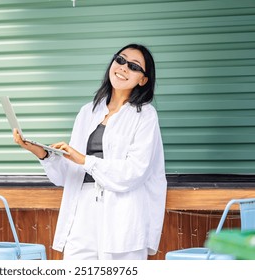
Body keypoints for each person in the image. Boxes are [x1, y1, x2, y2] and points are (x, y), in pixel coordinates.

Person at [13, 43, 167, 260]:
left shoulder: (145, 116)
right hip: (82, 213)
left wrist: (85, 160)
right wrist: (42, 154)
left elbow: (134, 172)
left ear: (143, 79)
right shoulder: (88, 111)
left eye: (133, 66)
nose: (123, 67)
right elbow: (68, 175)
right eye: (120, 60)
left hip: (121, 215)